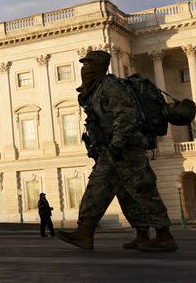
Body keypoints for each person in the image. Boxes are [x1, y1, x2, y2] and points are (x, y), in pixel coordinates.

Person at [58, 50, 177, 252]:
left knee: (143, 190)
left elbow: (126, 116)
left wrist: (118, 144)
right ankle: (135, 234)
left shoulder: (112, 87)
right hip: (109, 150)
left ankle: (164, 235)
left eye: (89, 64)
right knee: (119, 194)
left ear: (99, 66)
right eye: (84, 65)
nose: (85, 69)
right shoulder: (94, 90)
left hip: (125, 150)